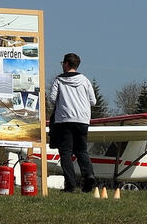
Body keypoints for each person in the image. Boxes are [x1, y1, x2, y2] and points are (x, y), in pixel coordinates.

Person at [49, 52, 97, 193]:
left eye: (62, 63)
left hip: (64, 120)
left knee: (65, 152)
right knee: (81, 150)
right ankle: (88, 174)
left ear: (66, 64)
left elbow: (52, 99)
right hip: (82, 120)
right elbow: (93, 101)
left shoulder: (59, 80)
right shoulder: (85, 80)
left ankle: (70, 184)